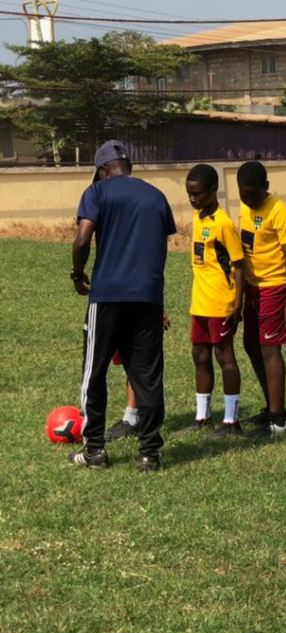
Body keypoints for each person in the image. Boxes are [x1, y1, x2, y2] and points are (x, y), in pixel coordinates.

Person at [71, 139, 176, 471]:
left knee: (95, 372)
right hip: (147, 294)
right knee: (146, 375)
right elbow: (160, 248)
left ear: (103, 170)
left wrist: (77, 274)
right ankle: (150, 454)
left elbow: (83, 238)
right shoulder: (156, 196)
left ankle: (95, 451)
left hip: (108, 294)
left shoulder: (98, 193)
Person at [237, 161, 286, 437]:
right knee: (250, 344)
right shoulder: (244, 206)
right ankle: (270, 404)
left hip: (274, 286)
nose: (248, 199)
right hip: (252, 286)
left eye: (253, 194)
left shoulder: (278, 210)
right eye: (243, 193)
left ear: (267, 188)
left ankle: (278, 420)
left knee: (269, 348)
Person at [185, 163, 245, 438]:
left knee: (225, 358)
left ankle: (231, 421)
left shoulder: (223, 224)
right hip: (200, 302)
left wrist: (237, 303)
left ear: (212, 190)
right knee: (199, 355)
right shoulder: (199, 218)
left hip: (221, 302)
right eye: (190, 194)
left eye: (197, 194)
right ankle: (202, 416)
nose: (193, 199)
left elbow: (239, 264)